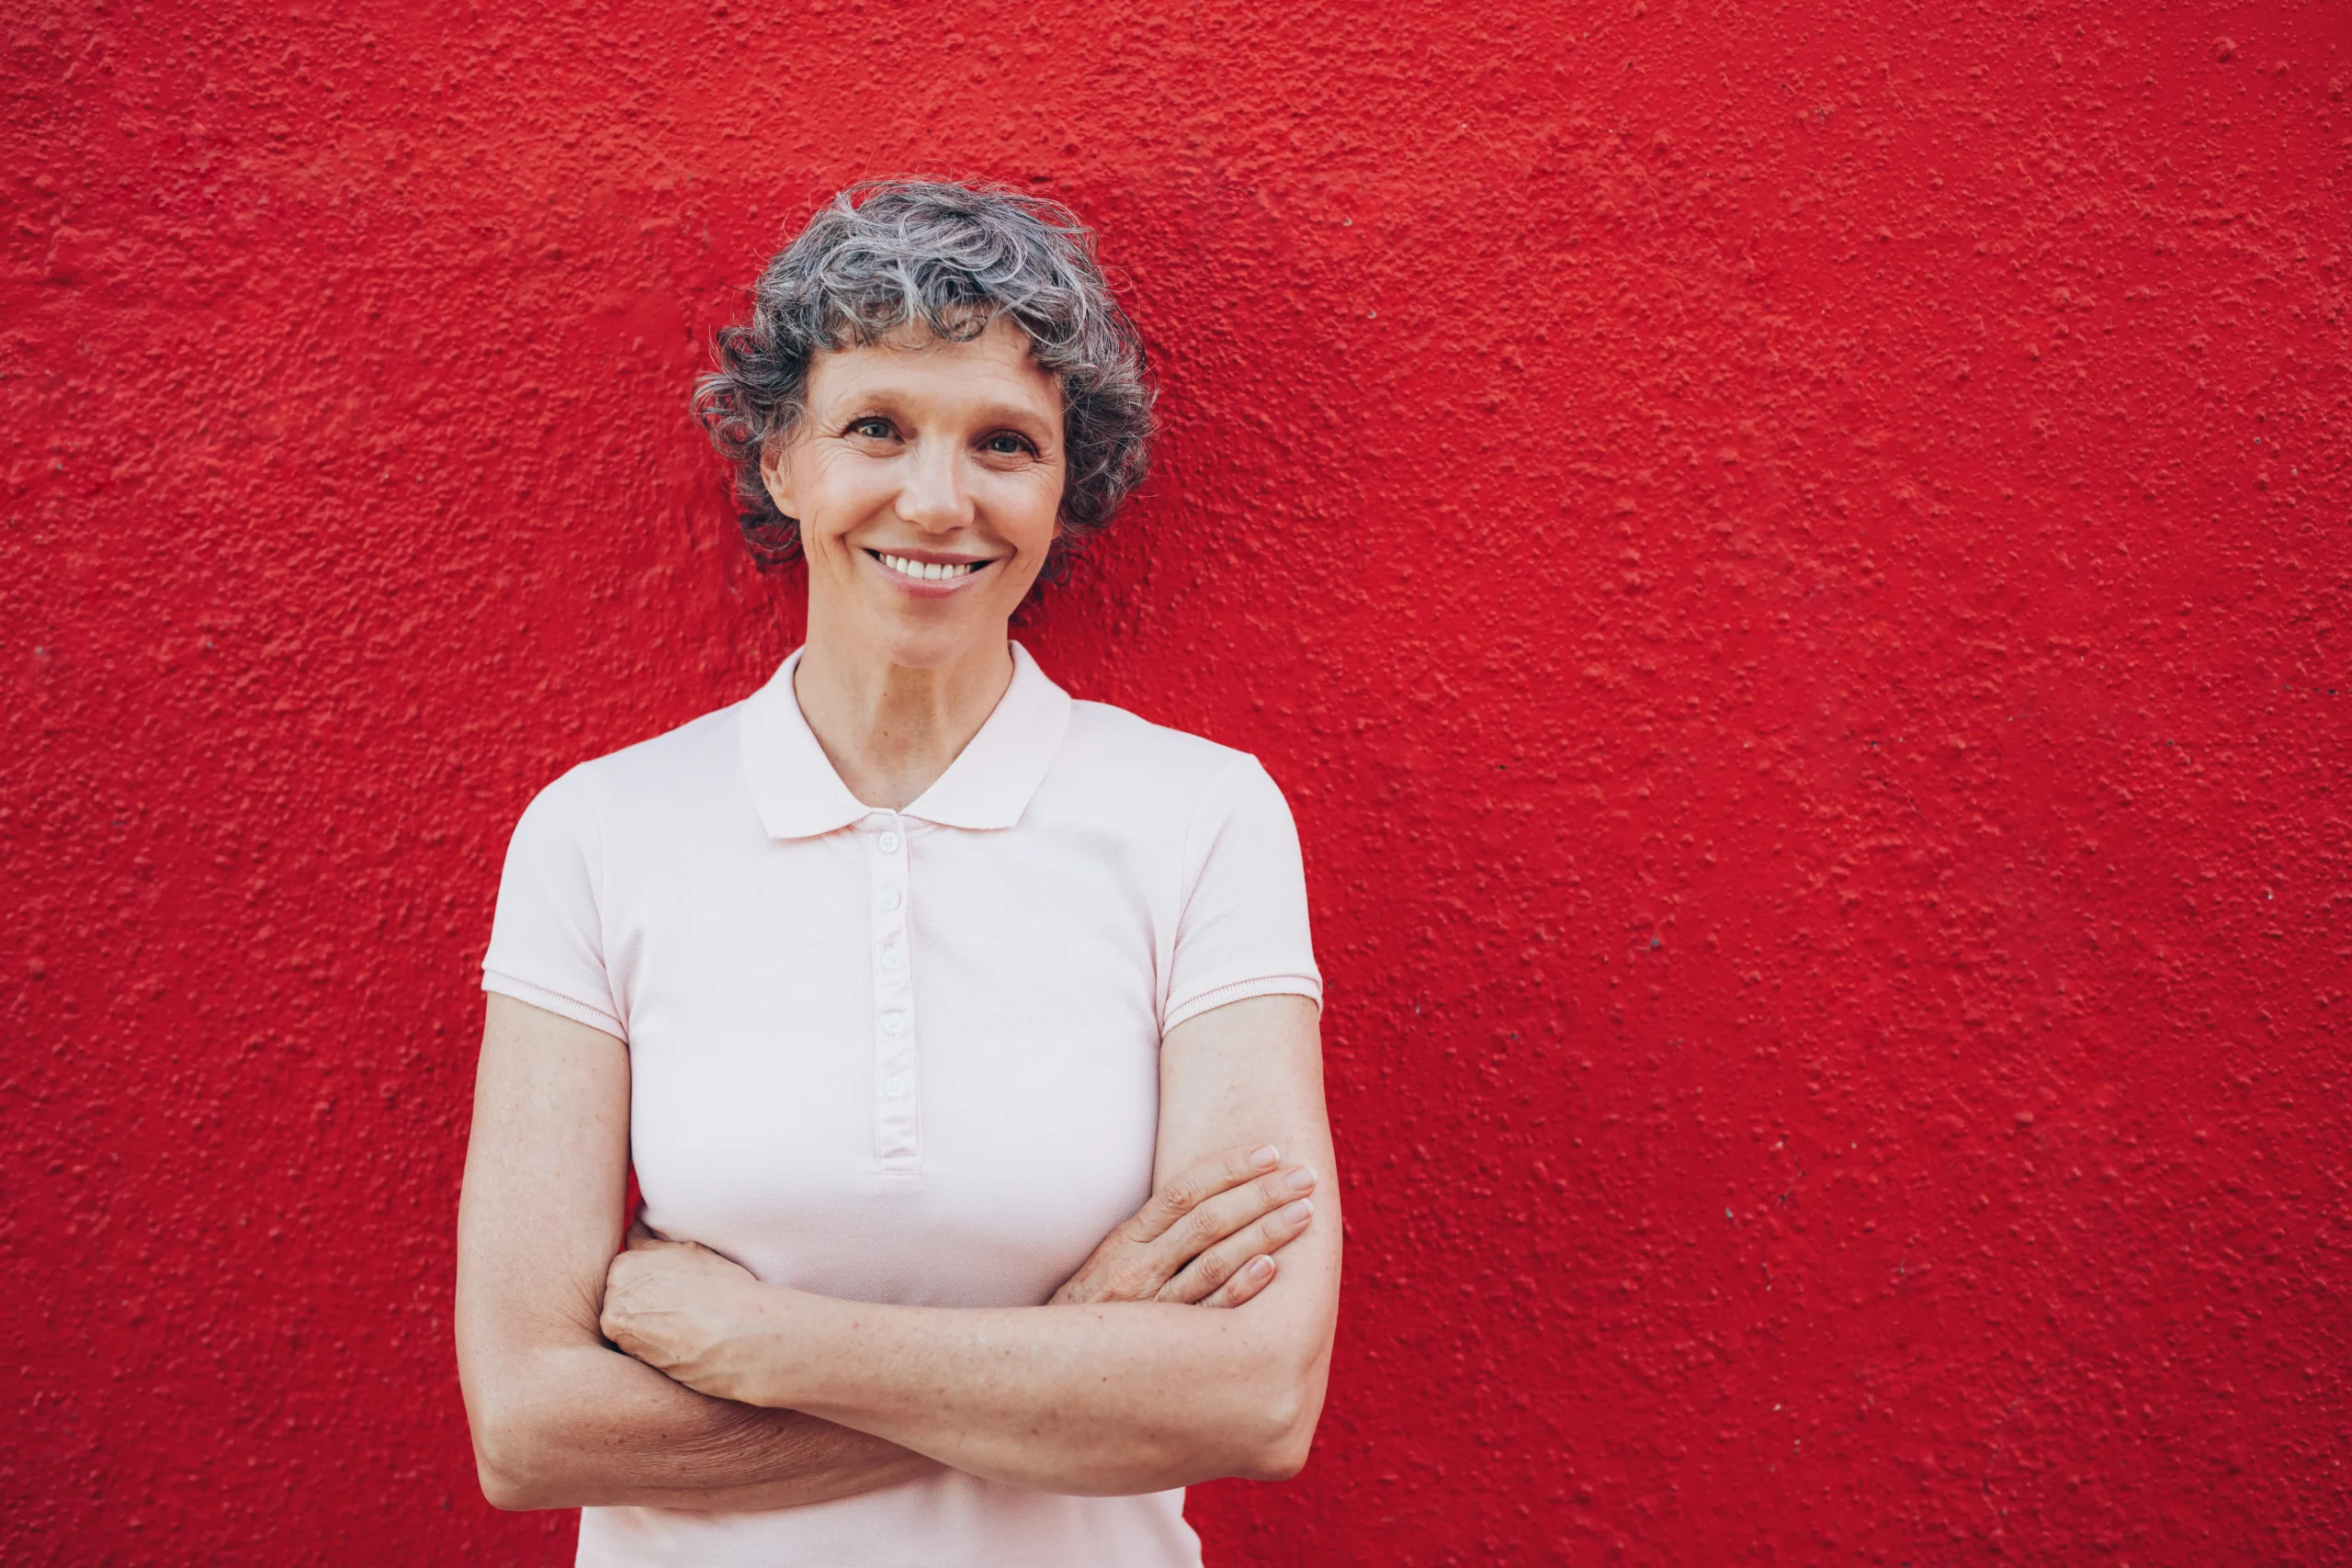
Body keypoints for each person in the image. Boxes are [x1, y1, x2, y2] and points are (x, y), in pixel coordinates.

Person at [454, 179, 1341, 1566]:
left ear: (1066, 484)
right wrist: (1070, 1359)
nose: (938, 498)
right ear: (781, 460)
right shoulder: (602, 831)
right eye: (877, 426)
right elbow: (528, 1422)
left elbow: (1255, 1393)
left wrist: (774, 1343)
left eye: (1005, 441)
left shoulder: (1202, 820)